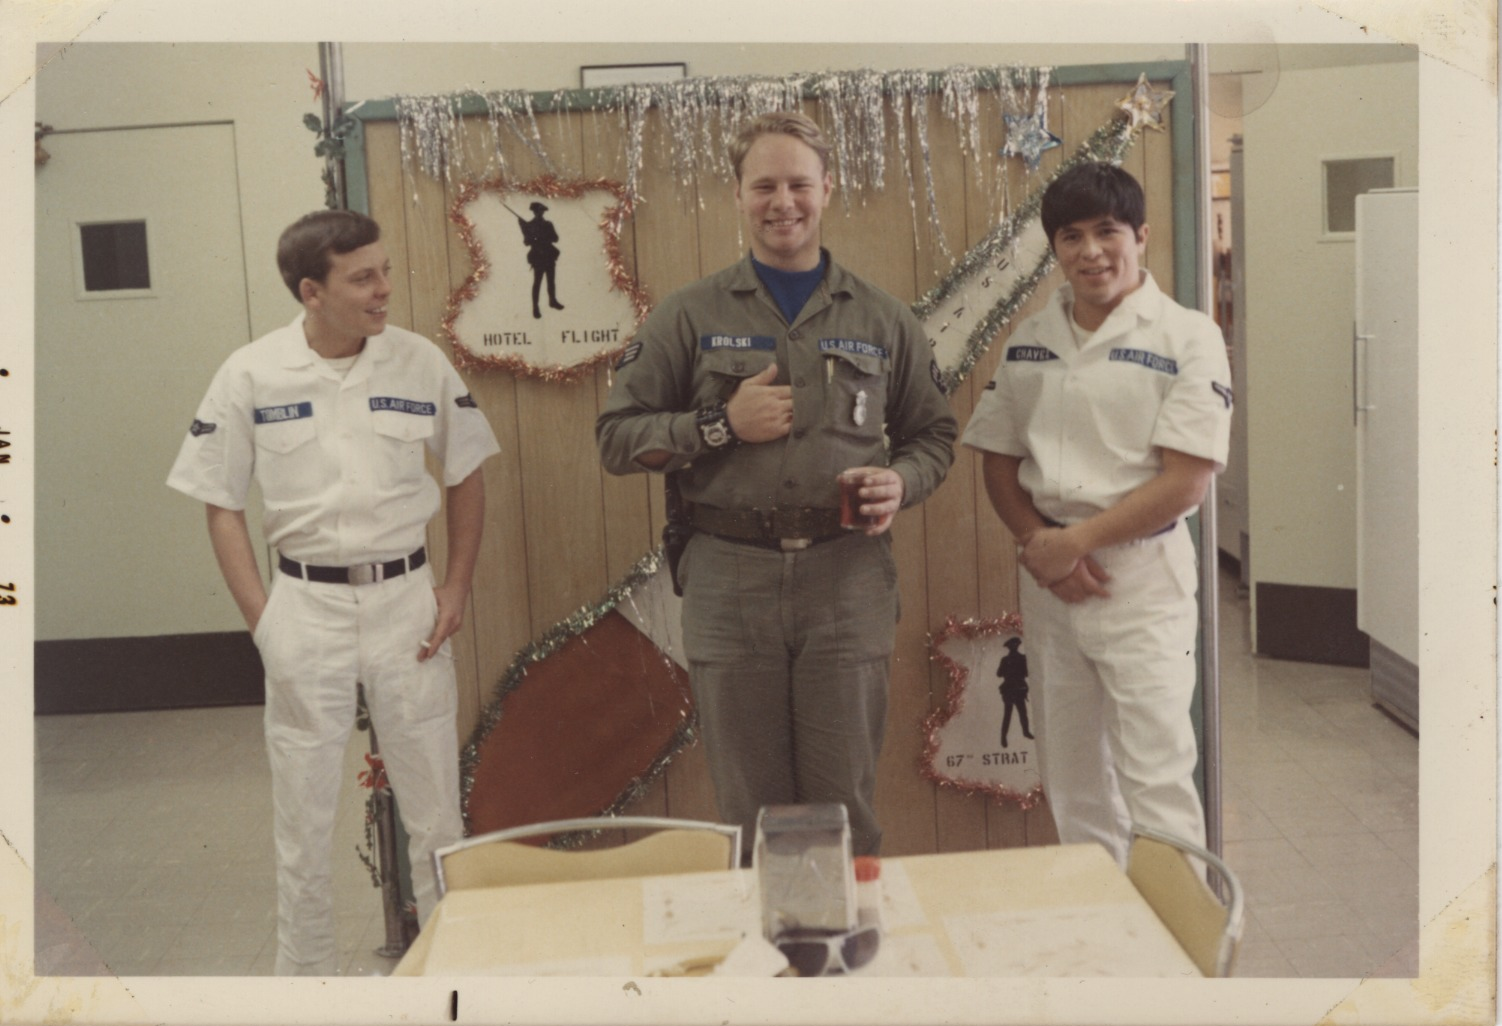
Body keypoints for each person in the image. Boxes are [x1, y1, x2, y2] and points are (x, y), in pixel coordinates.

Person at [595, 111, 956, 857]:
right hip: (730, 580)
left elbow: (934, 438)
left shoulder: (883, 318)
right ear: (737, 194)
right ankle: (765, 937)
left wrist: (900, 482)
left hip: (846, 577)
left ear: (828, 189)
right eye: (764, 186)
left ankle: (843, 933)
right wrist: (720, 424)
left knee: (843, 802)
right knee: (750, 808)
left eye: (798, 184)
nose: (782, 202)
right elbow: (618, 439)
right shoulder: (688, 316)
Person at [167, 210, 500, 974]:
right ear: (311, 292)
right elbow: (220, 503)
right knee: (304, 824)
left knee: (435, 816)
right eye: (362, 278)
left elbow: (467, 471)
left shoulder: (419, 363)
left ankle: (449, 976)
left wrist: (455, 584)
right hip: (304, 609)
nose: (384, 289)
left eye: (384, 271)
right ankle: (308, 989)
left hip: (407, 604)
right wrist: (264, 622)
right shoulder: (251, 374)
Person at [961, 162, 1233, 867]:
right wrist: (1039, 542)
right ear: (1055, 248)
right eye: (1071, 236)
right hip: (1054, 583)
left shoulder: (1187, 337)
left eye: (1108, 231)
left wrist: (1072, 542)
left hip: (1140, 578)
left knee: (1156, 777)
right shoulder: (1031, 337)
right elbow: (997, 456)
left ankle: (1181, 930)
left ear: (1140, 236)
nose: (1091, 252)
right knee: (1073, 776)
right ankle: (1106, 923)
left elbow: (1187, 481)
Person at [519, 200, 564, 319]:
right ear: (534, 212)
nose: (540, 213)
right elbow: (526, 242)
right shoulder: (530, 226)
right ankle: (535, 307)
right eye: (538, 211)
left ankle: (552, 301)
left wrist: (544, 236)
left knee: (551, 281)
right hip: (538, 256)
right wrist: (529, 234)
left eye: (541, 211)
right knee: (537, 282)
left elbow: (555, 238)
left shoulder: (548, 224)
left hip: (549, 255)